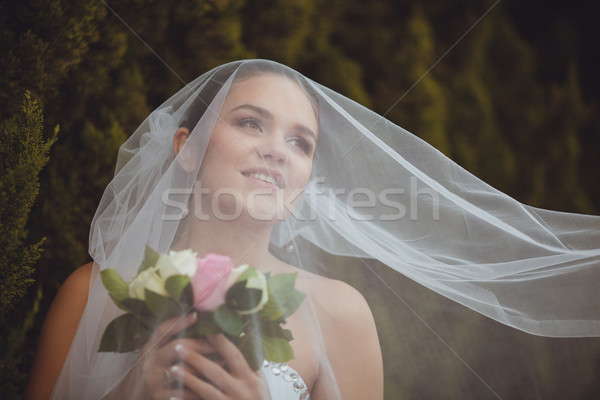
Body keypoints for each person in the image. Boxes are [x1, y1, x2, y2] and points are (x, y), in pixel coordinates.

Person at [25, 60, 600, 399]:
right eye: (252, 123)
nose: (278, 151)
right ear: (187, 149)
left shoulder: (338, 313)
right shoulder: (92, 293)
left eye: (300, 142)